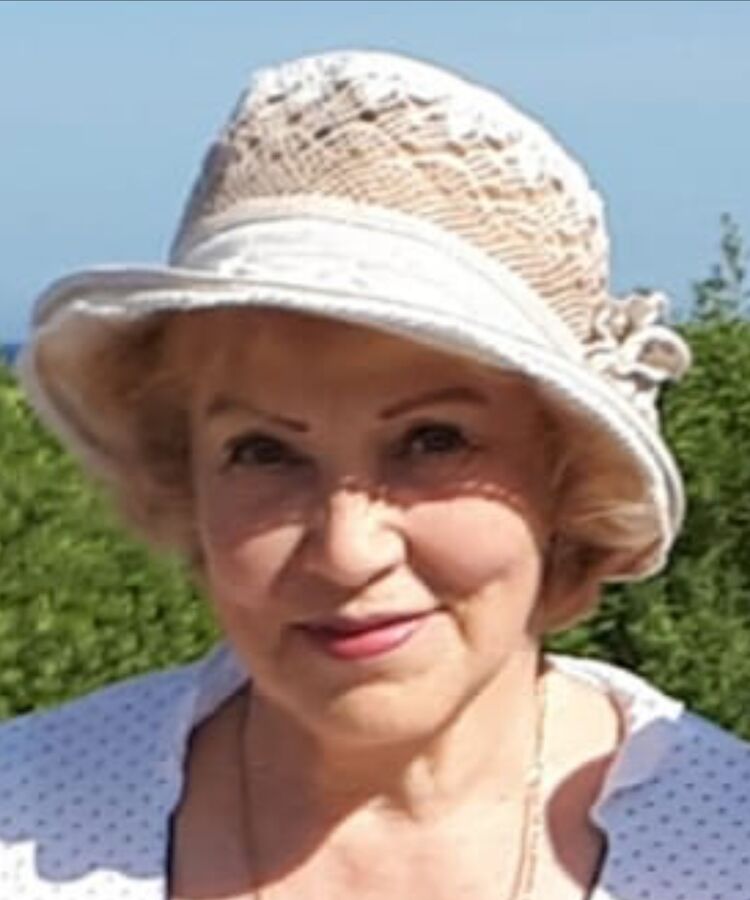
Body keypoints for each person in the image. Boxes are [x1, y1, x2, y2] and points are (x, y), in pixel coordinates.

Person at [2, 50, 748, 900]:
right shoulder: (28, 829)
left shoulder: (722, 851)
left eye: (432, 441)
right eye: (263, 451)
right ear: (186, 484)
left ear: (566, 477)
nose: (347, 550)